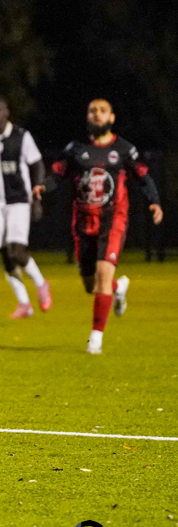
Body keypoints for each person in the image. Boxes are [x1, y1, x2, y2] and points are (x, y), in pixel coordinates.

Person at [34, 98, 163, 354]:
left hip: (112, 220)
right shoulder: (75, 148)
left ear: (112, 118)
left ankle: (95, 339)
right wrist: (43, 187)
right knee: (90, 285)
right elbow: (57, 173)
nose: (97, 114)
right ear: (87, 116)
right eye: (93, 110)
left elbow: (143, 177)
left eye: (103, 111)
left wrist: (154, 202)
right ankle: (118, 287)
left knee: (104, 273)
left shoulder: (124, 149)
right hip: (83, 221)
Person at [0, 96, 51, 318]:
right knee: (4, 254)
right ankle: (24, 303)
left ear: (7, 113)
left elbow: (37, 164)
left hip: (19, 199)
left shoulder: (22, 136)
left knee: (17, 250)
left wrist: (37, 196)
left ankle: (41, 283)